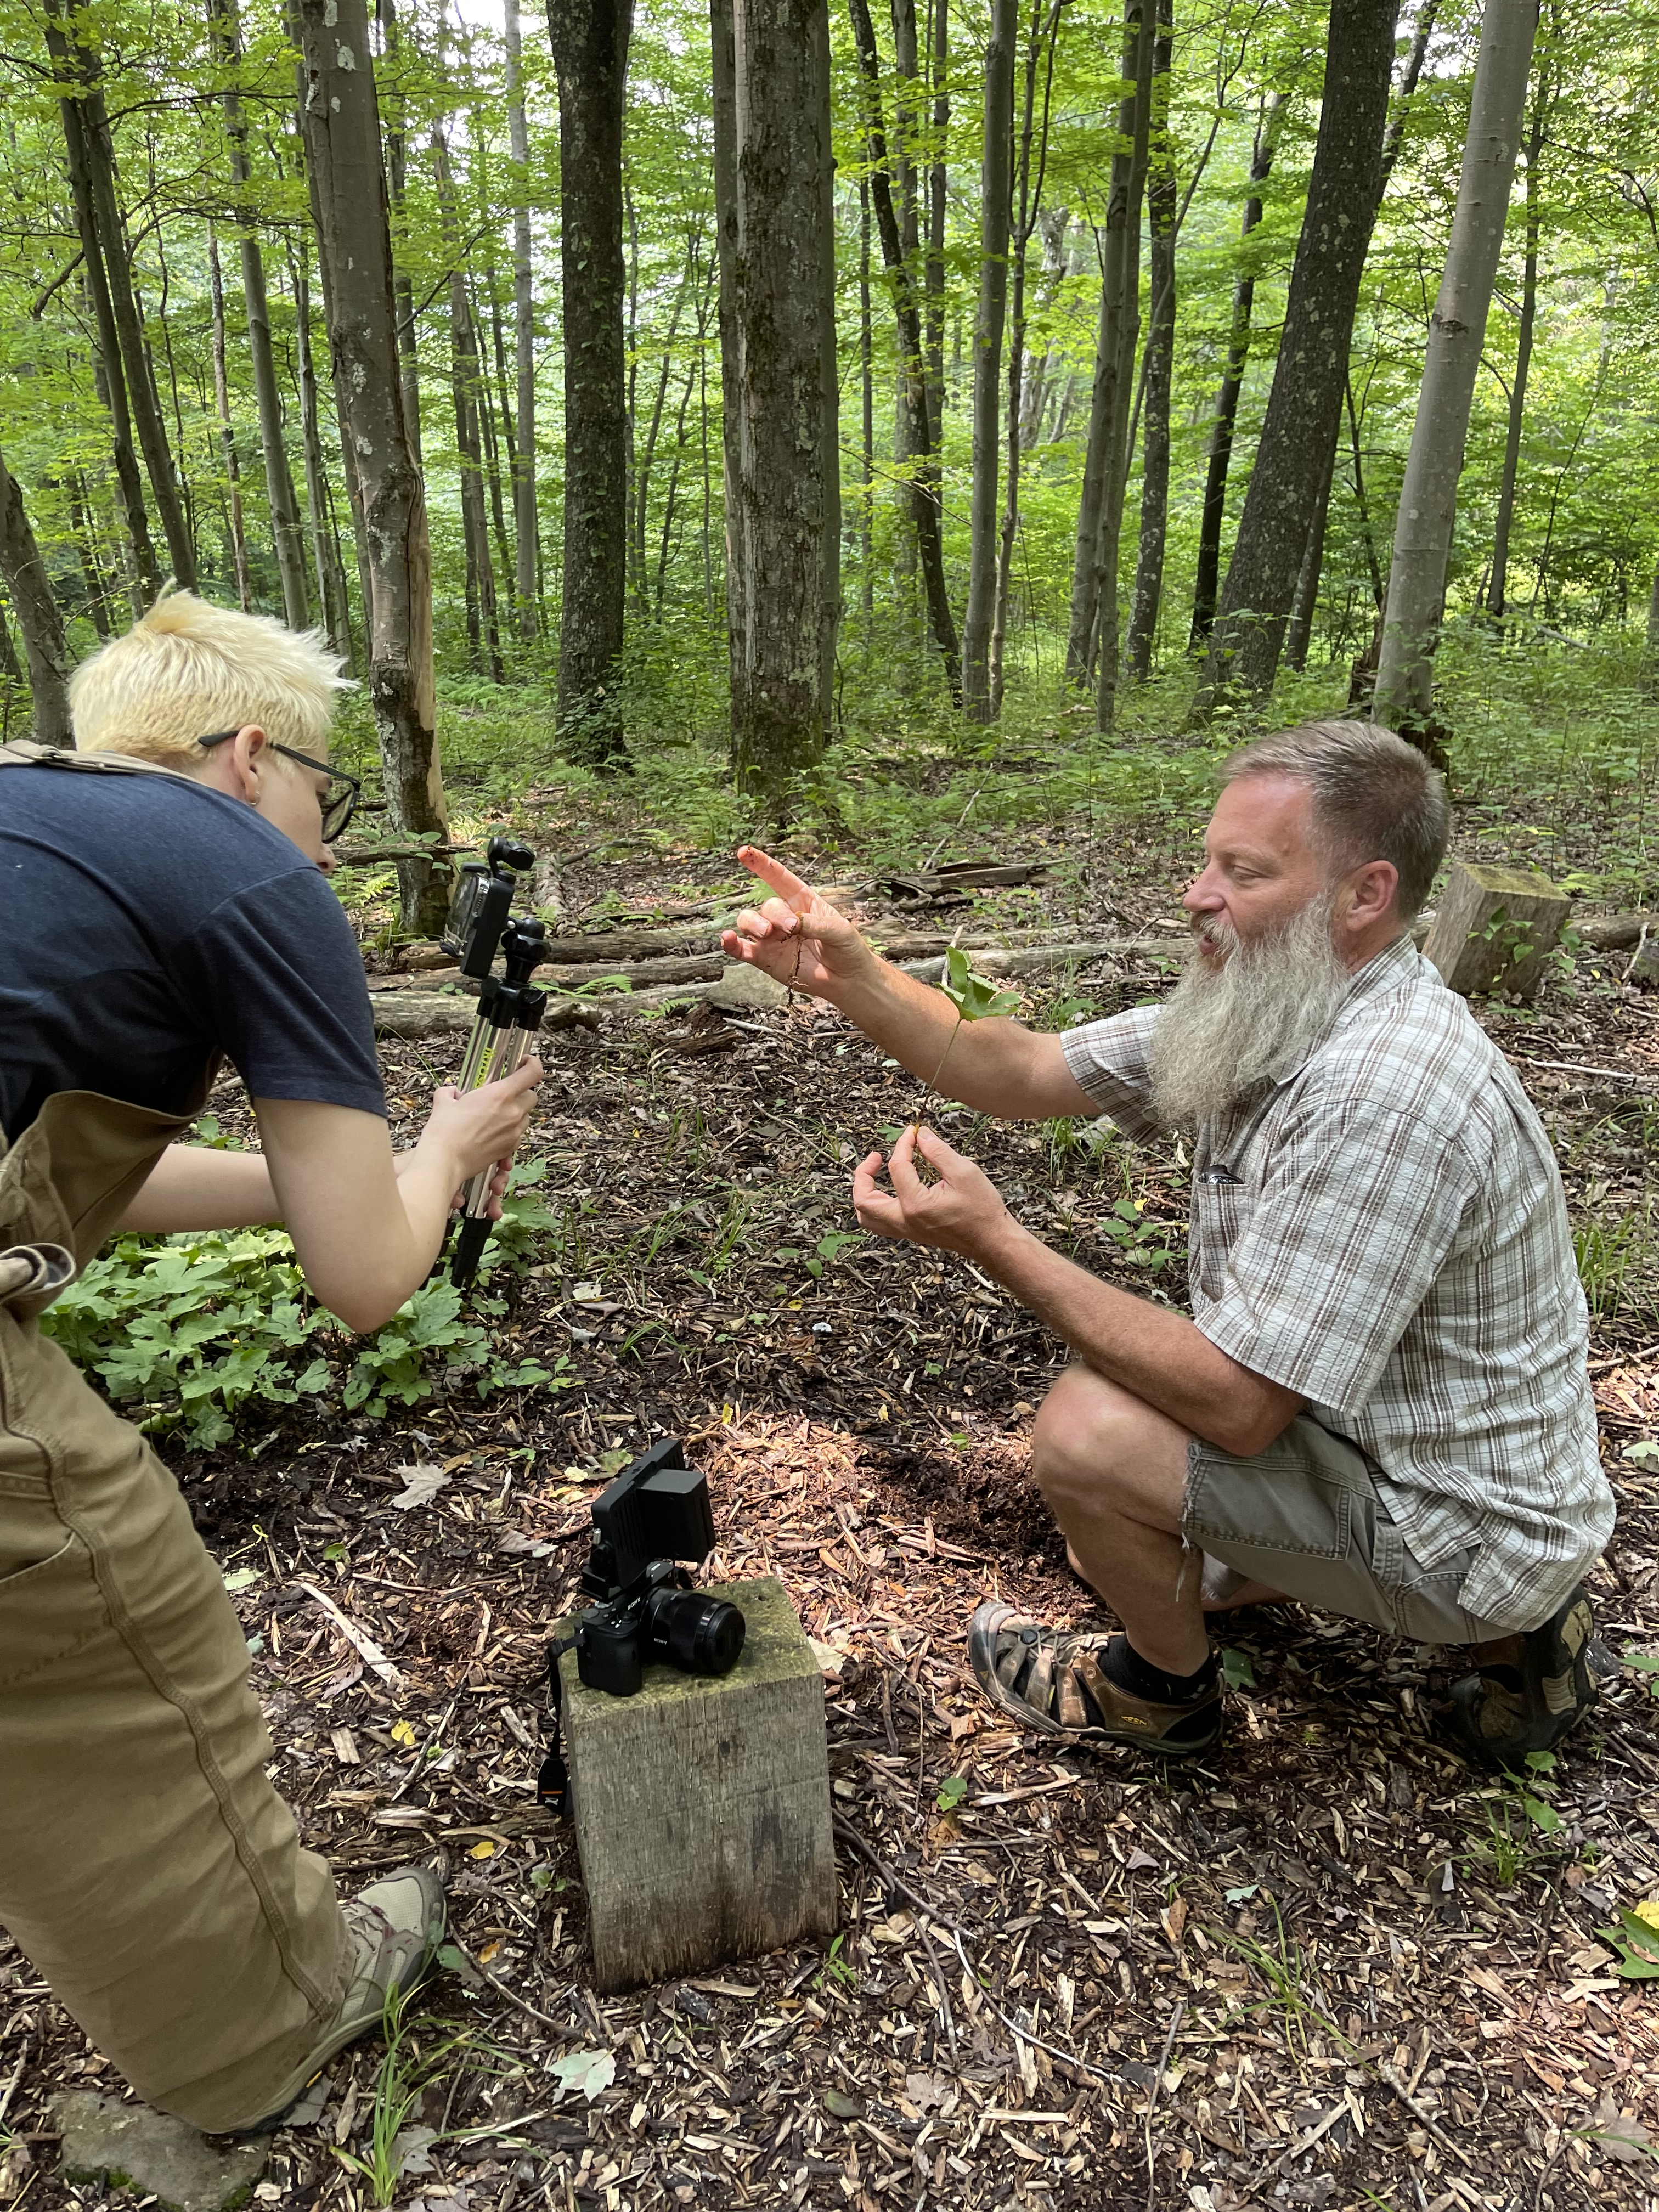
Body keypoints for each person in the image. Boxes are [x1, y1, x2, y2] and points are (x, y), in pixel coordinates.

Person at [722, 720, 1615, 1773]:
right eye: (1207, 861)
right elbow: (1020, 1068)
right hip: (1434, 1452)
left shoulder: (1384, 1089)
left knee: (1091, 1435)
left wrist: (992, 1240)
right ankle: (1519, 1630)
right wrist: (853, 973)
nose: (1197, 893)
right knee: (1124, 1485)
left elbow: (1240, 1408)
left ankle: (1157, 1695)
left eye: (1242, 871)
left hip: (1459, 1531)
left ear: (1363, 895)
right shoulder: (1285, 999)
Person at [0, 591, 541, 2132]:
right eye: (325, 794)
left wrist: (362, 1174)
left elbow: (77, 1181)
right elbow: (370, 1281)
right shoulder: (244, 872)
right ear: (248, 758)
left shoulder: (37, 825)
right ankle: (269, 2025)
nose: (324, 842)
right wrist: (435, 1155)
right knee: (120, 1632)